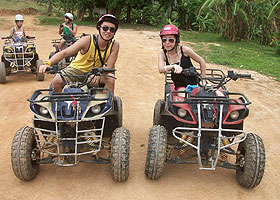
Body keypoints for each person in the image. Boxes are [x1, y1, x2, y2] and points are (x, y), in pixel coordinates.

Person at [39, 14, 120, 94]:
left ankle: (106, 104)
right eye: (105, 28)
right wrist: (47, 64)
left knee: (110, 79)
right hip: (76, 70)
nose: (108, 31)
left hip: (95, 72)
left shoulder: (114, 45)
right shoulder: (87, 40)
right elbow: (65, 53)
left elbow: (109, 67)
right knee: (57, 80)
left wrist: (98, 75)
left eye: (112, 30)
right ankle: (58, 104)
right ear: (99, 28)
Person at [158, 24, 206, 93]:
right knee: (184, 99)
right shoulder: (162, 53)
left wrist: (203, 79)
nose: (167, 43)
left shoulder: (185, 50)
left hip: (195, 82)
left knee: (214, 95)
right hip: (181, 85)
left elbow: (201, 61)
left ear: (176, 40)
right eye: (164, 40)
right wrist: (173, 66)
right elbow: (161, 69)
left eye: (171, 40)